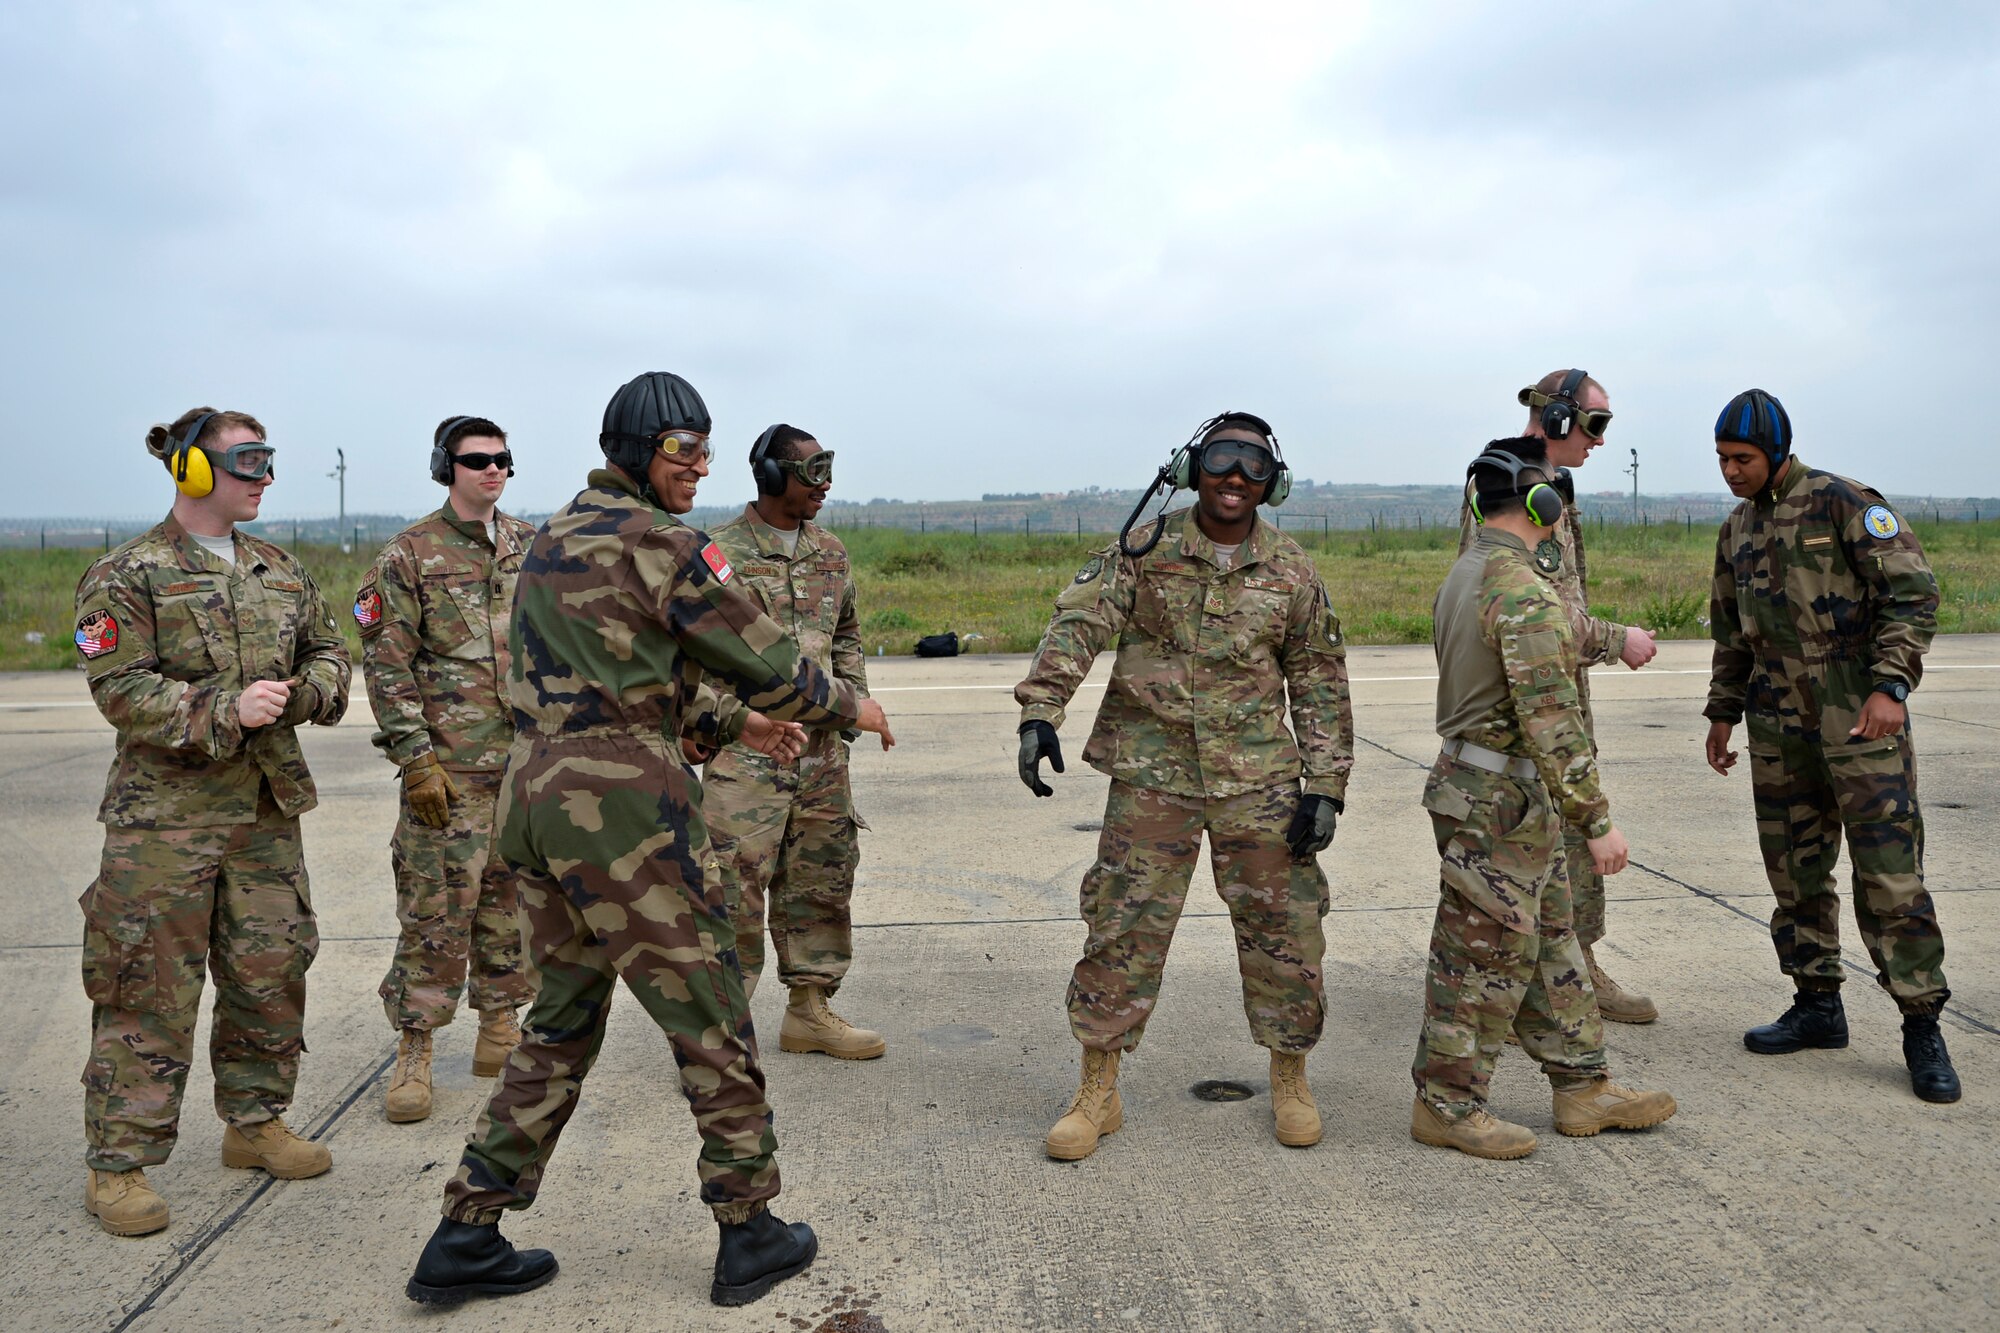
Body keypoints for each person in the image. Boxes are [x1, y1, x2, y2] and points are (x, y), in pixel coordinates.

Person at [405, 372, 896, 1309]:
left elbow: (606, 674)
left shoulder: (555, 531)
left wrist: (723, 728)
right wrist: (847, 703)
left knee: (560, 1017)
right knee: (709, 1007)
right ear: (636, 451)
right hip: (626, 812)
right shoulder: (667, 545)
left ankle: (467, 1230)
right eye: (682, 450)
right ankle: (750, 1230)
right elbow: (769, 661)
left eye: (706, 450)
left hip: (539, 797)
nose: (698, 466)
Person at [1014, 411, 1352, 1159]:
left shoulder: (1291, 569)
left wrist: (1325, 783)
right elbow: (1079, 624)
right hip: (1151, 775)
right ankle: (1097, 1090)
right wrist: (1041, 710)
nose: (1236, 477)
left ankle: (1290, 1077)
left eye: (1254, 466)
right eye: (1223, 458)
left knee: (1286, 934)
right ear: (1190, 467)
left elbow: (1318, 678)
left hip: (1260, 782)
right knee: (1122, 927)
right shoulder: (1144, 548)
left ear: (1274, 483)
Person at [72, 408, 351, 1236]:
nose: (266, 475)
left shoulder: (278, 569)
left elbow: (332, 656)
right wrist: (224, 707)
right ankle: (118, 1162)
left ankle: (255, 1121)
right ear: (194, 470)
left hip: (264, 812)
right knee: (146, 986)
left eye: (269, 459)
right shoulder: (130, 573)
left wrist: (300, 695)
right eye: (249, 460)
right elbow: (118, 686)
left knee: (271, 969)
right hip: (165, 824)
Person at [1413, 437, 1676, 1160]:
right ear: (1544, 504)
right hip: (1500, 794)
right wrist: (1598, 821)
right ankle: (1447, 1102)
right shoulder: (1520, 588)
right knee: (1482, 954)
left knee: (1552, 939)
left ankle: (1581, 1083)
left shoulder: (1472, 571)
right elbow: (1551, 717)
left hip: (1505, 795)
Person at [1703, 389, 1958, 1103]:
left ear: (1777, 451)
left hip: (1859, 722)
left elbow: (1913, 595)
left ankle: (1921, 1023)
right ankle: (1817, 1003)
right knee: (1795, 870)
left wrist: (1891, 685)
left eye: (1742, 459)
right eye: (1722, 460)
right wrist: (1722, 712)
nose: (1731, 471)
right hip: (1778, 727)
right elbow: (1731, 632)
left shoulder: (1844, 504)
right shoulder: (1736, 531)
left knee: (1889, 876)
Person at [1458, 370, 1660, 1024]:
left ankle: (1578, 968)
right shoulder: (1508, 487)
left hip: (1560, 701)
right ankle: (1514, 996)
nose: (1600, 442)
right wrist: (1612, 639)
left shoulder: (1550, 489)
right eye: (1595, 426)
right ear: (1561, 418)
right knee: (1519, 861)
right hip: (1523, 711)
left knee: (1571, 851)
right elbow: (1523, 613)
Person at [358, 416, 536, 1123]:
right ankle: (416, 1047)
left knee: (510, 904)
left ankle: (500, 1027)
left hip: (519, 767)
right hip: (449, 774)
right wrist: (416, 761)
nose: (493, 471)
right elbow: (387, 663)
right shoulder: (409, 555)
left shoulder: (530, 545)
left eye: (503, 460)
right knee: (436, 912)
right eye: (477, 461)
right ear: (446, 467)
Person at [701, 424, 884, 1059]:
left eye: (826, 470)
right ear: (774, 478)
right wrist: (719, 722)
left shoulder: (830, 551)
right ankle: (718, 1038)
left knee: (822, 879)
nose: (824, 484)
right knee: (731, 892)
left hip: (822, 757)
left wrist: (852, 705)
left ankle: (810, 1009)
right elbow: (691, 657)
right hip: (746, 754)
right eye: (811, 472)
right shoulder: (716, 554)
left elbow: (847, 634)